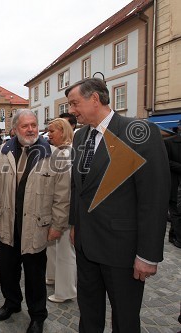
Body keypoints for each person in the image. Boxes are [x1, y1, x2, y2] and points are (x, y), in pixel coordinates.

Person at [66, 78, 170, 332]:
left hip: (122, 249)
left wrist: (148, 255)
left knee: (124, 318)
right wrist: (74, 223)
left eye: (74, 103)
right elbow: (77, 187)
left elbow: (154, 197)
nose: (71, 110)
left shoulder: (140, 132)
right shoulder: (80, 137)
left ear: (95, 99)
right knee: (88, 313)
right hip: (86, 245)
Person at [0, 110, 70, 333]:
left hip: (37, 227)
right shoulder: (1, 152)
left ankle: (38, 315)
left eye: (33, 124)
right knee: (8, 271)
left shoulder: (53, 154)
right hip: (7, 224)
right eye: (25, 126)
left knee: (34, 277)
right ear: (14, 129)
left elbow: (62, 196)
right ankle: (11, 303)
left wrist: (58, 226)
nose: (31, 129)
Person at [44, 118, 76, 303]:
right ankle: (53, 277)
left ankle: (66, 291)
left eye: (52, 131)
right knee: (53, 248)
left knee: (65, 251)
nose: (49, 134)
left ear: (63, 132)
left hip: (64, 209)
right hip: (55, 208)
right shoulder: (59, 152)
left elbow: (65, 189)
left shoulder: (66, 154)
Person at [164, 121, 181, 248]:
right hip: (174, 183)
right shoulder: (169, 142)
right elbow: (165, 162)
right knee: (175, 212)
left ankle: (173, 235)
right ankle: (178, 238)